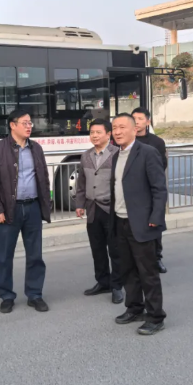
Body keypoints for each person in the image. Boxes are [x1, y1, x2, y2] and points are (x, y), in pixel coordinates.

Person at [0, 109, 52, 314]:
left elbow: (44, 178)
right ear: (12, 125)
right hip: (8, 210)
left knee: (35, 255)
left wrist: (45, 205)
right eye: (25, 123)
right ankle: (6, 296)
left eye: (30, 123)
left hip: (32, 208)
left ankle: (35, 294)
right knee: (5, 256)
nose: (29, 126)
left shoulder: (36, 148)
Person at [110, 113, 168, 336]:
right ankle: (134, 308)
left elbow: (159, 188)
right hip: (120, 220)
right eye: (114, 127)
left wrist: (155, 218)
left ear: (135, 129)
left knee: (148, 273)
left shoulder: (148, 152)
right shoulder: (116, 155)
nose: (117, 132)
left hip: (142, 223)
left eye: (122, 127)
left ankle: (156, 317)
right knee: (128, 270)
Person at [74, 119, 123, 304]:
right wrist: (79, 204)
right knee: (97, 249)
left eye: (98, 132)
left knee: (115, 250)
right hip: (93, 209)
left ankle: (117, 286)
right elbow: (82, 183)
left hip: (111, 209)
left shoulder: (117, 154)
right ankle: (103, 282)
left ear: (108, 134)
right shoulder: (86, 155)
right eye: (92, 132)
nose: (94, 136)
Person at [131, 107, 168, 274]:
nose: (137, 122)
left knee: (155, 224)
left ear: (148, 121)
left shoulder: (157, 142)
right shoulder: (126, 141)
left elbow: (162, 166)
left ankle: (157, 257)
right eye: (134, 119)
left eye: (140, 119)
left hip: (151, 190)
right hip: (132, 191)